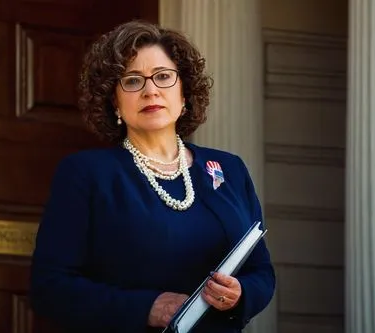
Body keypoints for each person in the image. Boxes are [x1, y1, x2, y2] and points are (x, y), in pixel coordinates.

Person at [29, 20, 275, 333]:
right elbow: (49, 288)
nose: (151, 90)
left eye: (163, 76)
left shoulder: (230, 170)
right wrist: (147, 308)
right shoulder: (86, 175)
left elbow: (261, 271)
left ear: (184, 92)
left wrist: (241, 294)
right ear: (114, 101)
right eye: (133, 81)